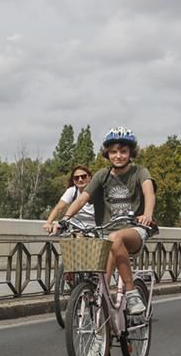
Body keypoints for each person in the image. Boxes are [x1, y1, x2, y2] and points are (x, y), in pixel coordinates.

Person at [60, 127, 156, 314]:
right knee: (101, 283)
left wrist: (148, 214)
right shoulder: (101, 176)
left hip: (134, 230)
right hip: (105, 233)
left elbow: (149, 192)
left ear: (130, 153)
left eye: (123, 151)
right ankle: (101, 328)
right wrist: (64, 219)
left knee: (115, 237)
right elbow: (81, 199)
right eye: (113, 152)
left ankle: (131, 291)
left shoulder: (140, 172)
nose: (118, 156)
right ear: (107, 154)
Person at [42, 165, 95, 233]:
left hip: (95, 228)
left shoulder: (97, 191)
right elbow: (59, 208)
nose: (80, 179)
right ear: (73, 180)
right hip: (75, 227)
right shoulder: (72, 191)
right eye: (76, 178)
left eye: (83, 176)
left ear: (90, 177)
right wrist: (48, 222)